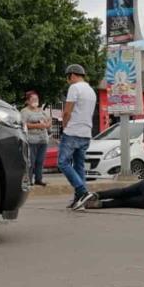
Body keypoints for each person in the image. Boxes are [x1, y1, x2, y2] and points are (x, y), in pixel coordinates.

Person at [58, 64, 97, 210]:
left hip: (72, 132)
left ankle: (82, 191)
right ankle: (79, 200)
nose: (67, 80)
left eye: (67, 77)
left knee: (62, 163)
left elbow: (67, 111)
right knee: (79, 165)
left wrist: (64, 126)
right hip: (86, 133)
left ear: (72, 75)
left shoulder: (74, 88)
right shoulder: (91, 91)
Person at [21, 91, 51, 186]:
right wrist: (38, 125)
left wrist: (47, 124)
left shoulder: (41, 110)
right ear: (28, 101)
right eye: (33, 99)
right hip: (31, 140)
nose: (35, 101)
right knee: (31, 161)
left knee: (40, 160)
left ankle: (39, 179)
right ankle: (29, 180)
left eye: (36, 99)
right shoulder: (24, 111)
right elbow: (23, 124)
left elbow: (49, 120)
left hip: (43, 139)